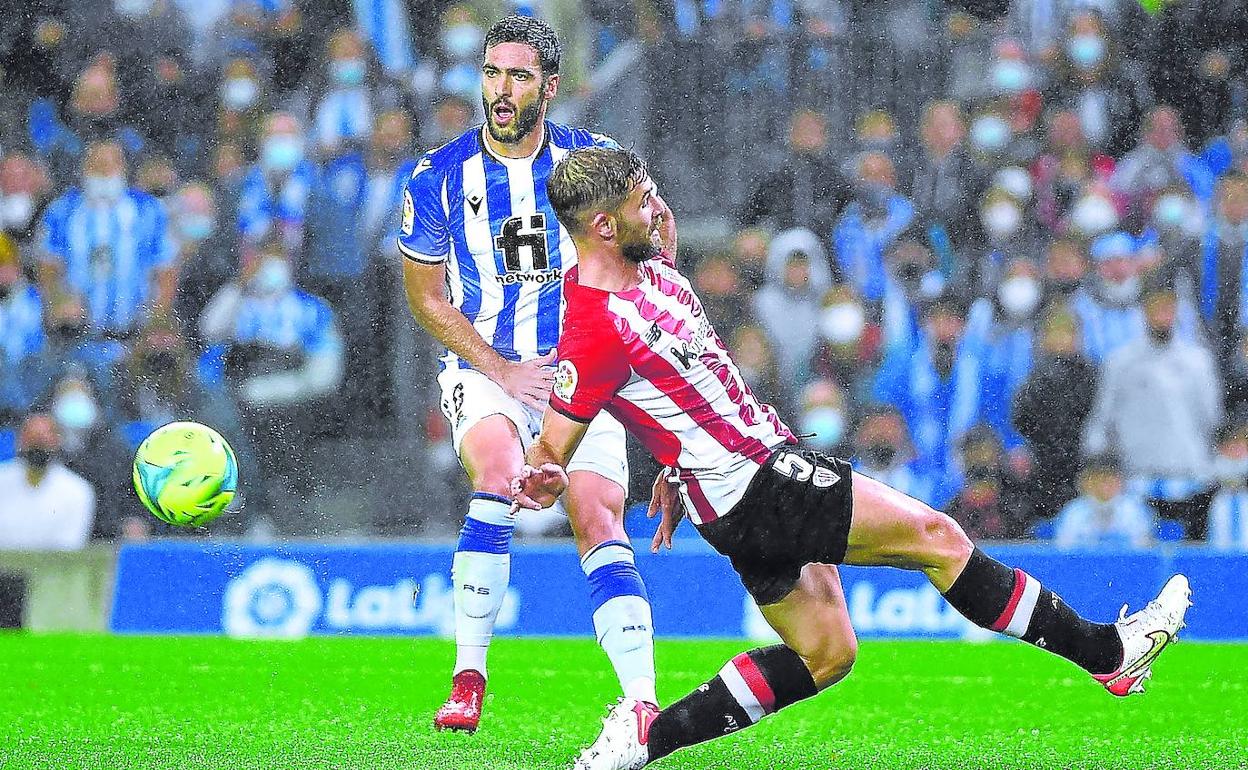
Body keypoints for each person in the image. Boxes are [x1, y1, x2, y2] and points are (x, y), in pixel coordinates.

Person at [515, 146, 1191, 770]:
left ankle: (643, 742)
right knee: (939, 538)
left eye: (654, 191)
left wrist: (673, 462)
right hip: (758, 483)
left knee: (827, 653)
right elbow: (553, 454)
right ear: (604, 226)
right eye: (642, 201)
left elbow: (676, 385)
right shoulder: (592, 324)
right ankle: (1110, 655)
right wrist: (537, 471)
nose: (658, 207)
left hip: (737, 490)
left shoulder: (651, 266)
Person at [397, 16, 656, 734]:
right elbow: (426, 299)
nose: (500, 90)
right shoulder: (438, 176)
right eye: (490, 73)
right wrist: (504, 370)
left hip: (583, 371)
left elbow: (653, 260)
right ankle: (468, 677)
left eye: (516, 76)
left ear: (550, 85)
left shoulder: (598, 164)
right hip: (485, 364)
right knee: (499, 476)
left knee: (598, 514)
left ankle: (641, 701)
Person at [0, 413, 94, 551]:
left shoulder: (78, 491)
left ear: (57, 442)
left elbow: (70, 547)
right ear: (20, 441)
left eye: (43, 441)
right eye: (32, 440)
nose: (37, 447)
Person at [1053, 453, 1155, 551]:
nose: (1104, 485)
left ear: (1120, 481)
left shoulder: (1134, 509)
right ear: (1086, 482)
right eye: (1098, 478)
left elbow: (1143, 548)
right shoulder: (1074, 510)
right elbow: (1064, 549)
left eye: (1110, 478)